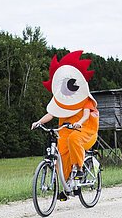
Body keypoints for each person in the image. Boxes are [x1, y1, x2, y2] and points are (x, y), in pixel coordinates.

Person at [31, 50, 99, 201]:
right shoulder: (60, 100)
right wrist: (39, 122)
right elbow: (51, 113)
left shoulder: (85, 99)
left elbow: (86, 115)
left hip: (85, 131)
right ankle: (66, 187)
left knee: (74, 139)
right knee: (60, 157)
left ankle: (80, 168)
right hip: (65, 131)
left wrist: (78, 123)